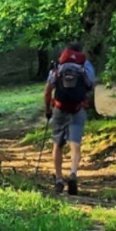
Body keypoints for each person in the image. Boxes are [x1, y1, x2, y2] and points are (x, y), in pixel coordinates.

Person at [44, 42, 97, 195]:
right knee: (75, 144)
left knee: (58, 145)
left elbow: (48, 91)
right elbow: (90, 85)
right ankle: (73, 172)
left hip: (60, 108)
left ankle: (59, 179)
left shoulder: (58, 66)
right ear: (81, 51)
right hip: (77, 109)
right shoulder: (85, 65)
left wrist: (48, 109)